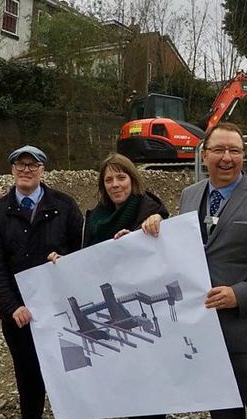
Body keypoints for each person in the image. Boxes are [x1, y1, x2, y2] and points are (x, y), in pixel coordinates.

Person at [142, 122, 247, 419]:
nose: (227, 157)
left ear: (243, 155)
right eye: (219, 150)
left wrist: (240, 294)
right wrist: (152, 230)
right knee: (223, 410)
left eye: (234, 150)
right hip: (203, 330)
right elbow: (179, 248)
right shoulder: (189, 195)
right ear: (204, 155)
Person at [0, 145, 83, 419]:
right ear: (12, 169)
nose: (26, 169)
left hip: (62, 311)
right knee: (28, 379)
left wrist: (66, 261)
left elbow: (83, 249)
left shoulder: (64, 206)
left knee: (72, 373)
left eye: (33, 164)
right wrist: (12, 306)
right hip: (20, 316)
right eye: (20, 164)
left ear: (43, 169)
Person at [79, 152, 169, 419]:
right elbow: (84, 260)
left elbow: (167, 252)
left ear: (133, 179)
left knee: (149, 386)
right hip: (107, 310)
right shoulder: (94, 218)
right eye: (109, 180)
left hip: (140, 309)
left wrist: (148, 233)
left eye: (121, 177)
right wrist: (61, 263)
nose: (115, 184)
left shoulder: (151, 210)